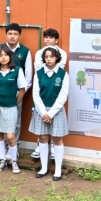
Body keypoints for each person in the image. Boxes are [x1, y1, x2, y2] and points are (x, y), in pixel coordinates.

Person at [0, 44, 27, 174]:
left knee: (10, 136)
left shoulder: (17, 70)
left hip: (10, 107)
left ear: (10, 57)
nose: (3, 57)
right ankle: (3, 161)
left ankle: (14, 161)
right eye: (0, 55)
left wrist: (14, 103)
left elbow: (22, 89)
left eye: (5, 55)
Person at [31, 47, 69, 180]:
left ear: (56, 58)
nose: (49, 59)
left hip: (56, 111)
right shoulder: (38, 73)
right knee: (42, 138)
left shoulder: (63, 74)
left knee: (57, 139)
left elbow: (63, 96)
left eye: (51, 56)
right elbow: (36, 95)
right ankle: (44, 168)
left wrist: (51, 113)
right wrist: (44, 113)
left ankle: (57, 170)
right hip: (41, 111)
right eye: (46, 57)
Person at [0, 23, 33, 140]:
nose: (12, 36)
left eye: (15, 34)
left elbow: (28, 75)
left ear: (19, 36)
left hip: (16, 93)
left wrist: (20, 92)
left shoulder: (25, 51)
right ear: (6, 35)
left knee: (15, 121)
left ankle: (14, 145)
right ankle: (1, 145)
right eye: (10, 34)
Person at [32, 28, 67, 160]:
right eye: (46, 37)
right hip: (43, 86)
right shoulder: (39, 53)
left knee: (56, 130)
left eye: (51, 37)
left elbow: (59, 68)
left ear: (56, 40)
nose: (48, 39)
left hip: (55, 87)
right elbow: (38, 68)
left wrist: (50, 114)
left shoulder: (62, 53)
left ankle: (53, 146)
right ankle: (40, 145)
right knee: (42, 130)